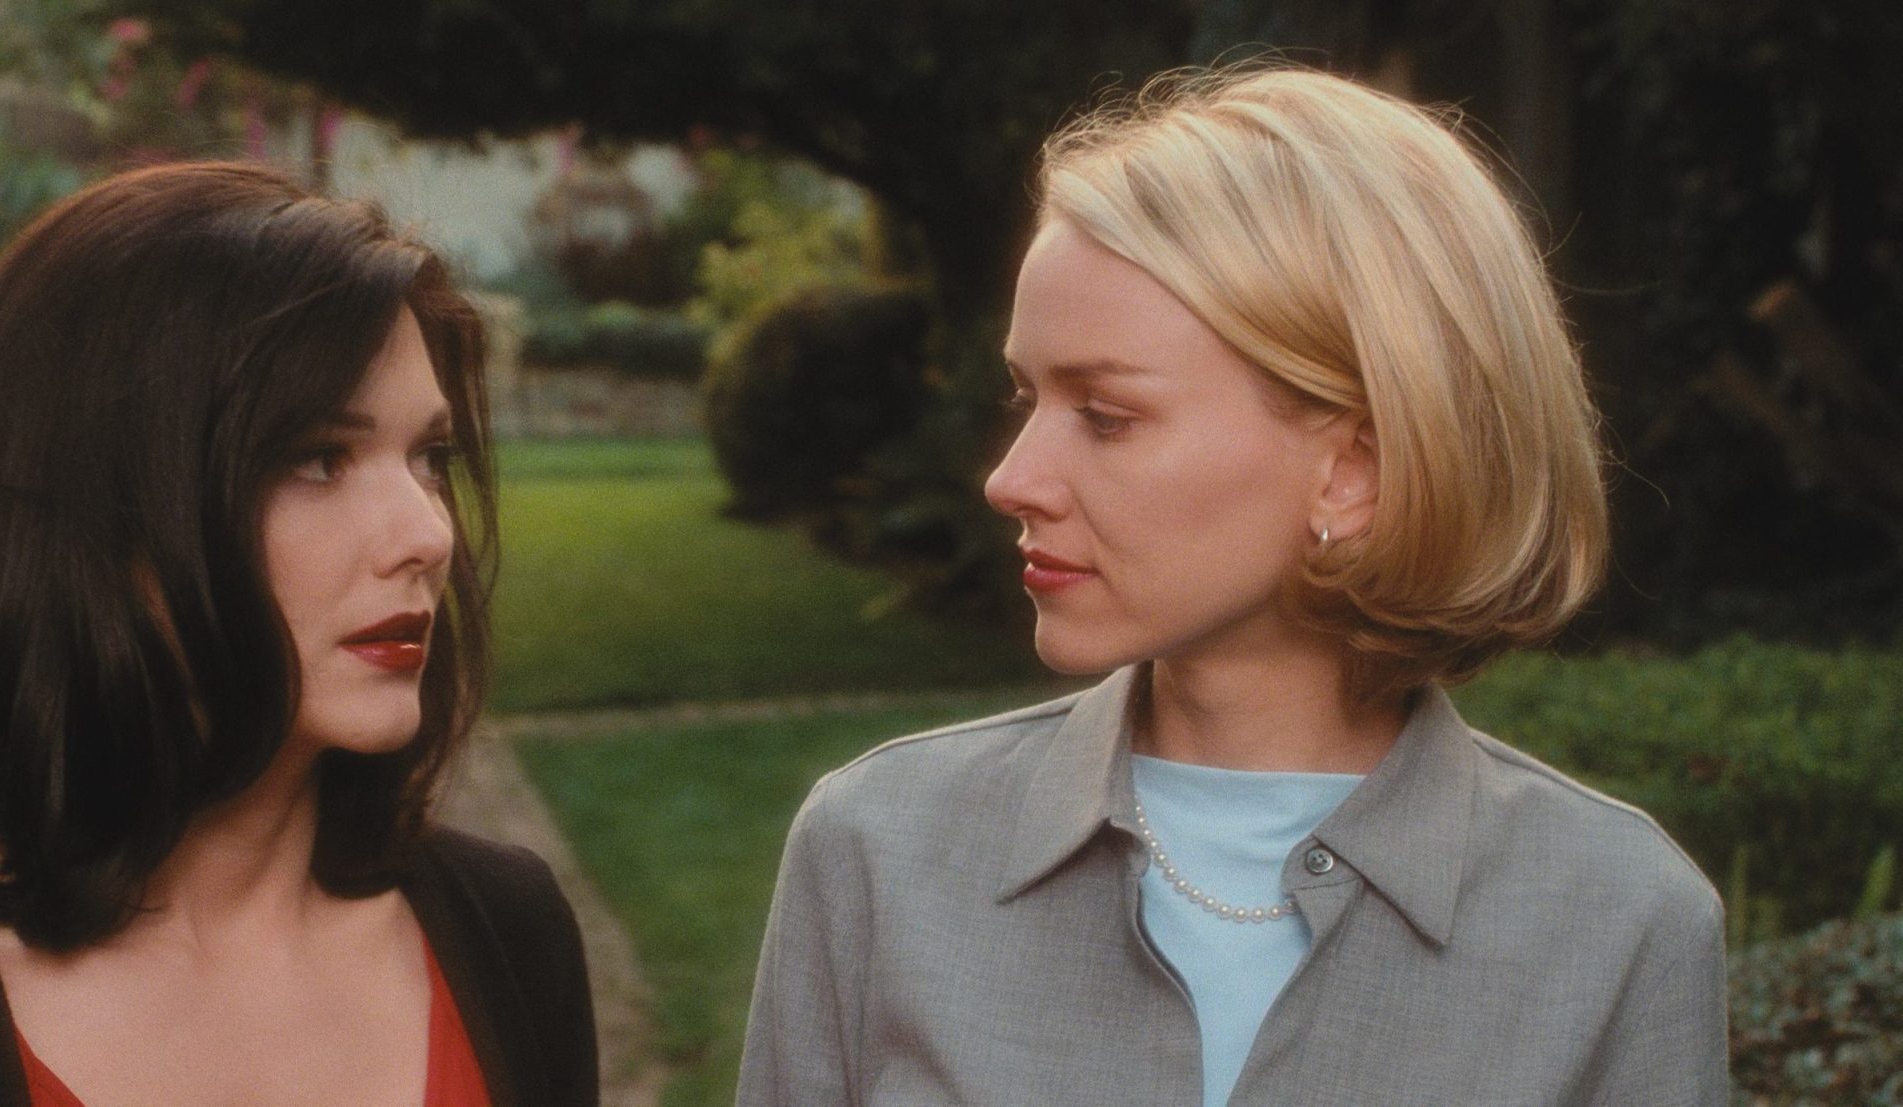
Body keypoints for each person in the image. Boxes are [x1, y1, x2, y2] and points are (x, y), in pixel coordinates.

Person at [738, 65, 1728, 1106]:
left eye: (1106, 416)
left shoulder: (1620, 923)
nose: (1010, 479)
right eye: (1028, 398)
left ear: (1353, 471)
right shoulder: (877, 849)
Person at [0, 162, 597, 1106]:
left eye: (429, 457)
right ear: (98, 506)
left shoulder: (510, 932)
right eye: (319, 458)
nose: (427, 534)